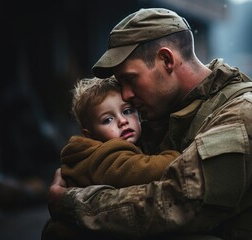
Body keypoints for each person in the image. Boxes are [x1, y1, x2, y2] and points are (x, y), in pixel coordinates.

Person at [45, 8, 252, 239]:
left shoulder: (247, 114)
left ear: (166, 60)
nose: (126, 94)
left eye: (130, 78)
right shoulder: (174, 111)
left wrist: (73, 202)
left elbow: (177, 203)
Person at [42, 76, 180, 239]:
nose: (122, 121)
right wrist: (176, 155)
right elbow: (145, 170)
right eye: (108, 119)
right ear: (90, 134)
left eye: (127, 111)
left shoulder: (125, 145)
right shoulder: (104, 155)